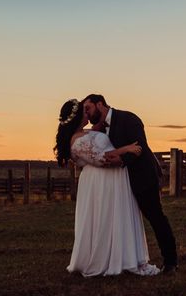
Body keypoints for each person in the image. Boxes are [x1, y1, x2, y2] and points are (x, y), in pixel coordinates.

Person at [54, 99, 161, 277]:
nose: (87, 114)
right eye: (84, 111)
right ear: (76, 117)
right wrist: (126, 149)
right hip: (101, 181)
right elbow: (101, 159)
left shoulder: (85, 133)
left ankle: (124, 256)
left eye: (87, 109)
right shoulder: (77, 141)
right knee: (104, 217)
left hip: (113, 180)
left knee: (117, 216)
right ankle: (105, 259)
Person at [82, 94, 178, 273]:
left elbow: (139, 147)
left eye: (88, 108)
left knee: (155, 216)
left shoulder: (129, 119)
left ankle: (171, 261)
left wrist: (120, 159)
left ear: (100, 104)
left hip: (142, 177)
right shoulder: (98, 129)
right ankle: (121, 260)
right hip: (118, 185)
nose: (86, 114)